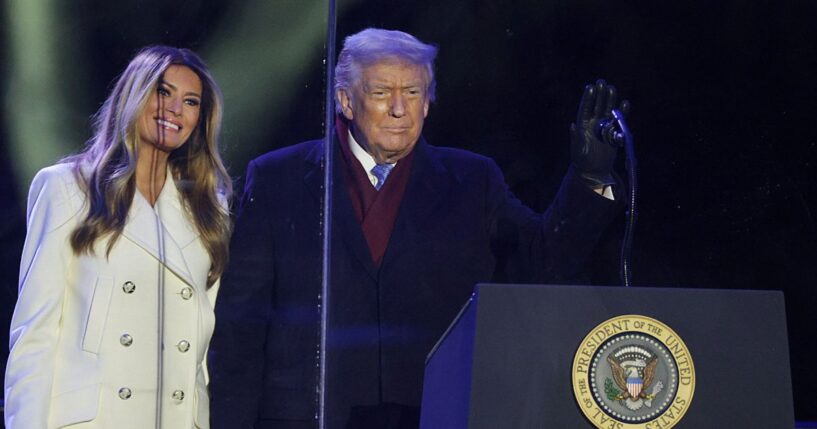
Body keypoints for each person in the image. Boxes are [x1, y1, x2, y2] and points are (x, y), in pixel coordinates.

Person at [209, 28, 625, 429]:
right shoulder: (278, 177)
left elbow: (545, 261)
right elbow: (240, 327)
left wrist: (588, 179)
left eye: (412, 93)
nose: (398, 108)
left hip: (430, 413)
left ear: (427, 103)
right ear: (345, 101)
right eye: (380, 93)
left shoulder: (472, 180)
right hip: (308, 417)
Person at [4, 46, 232, 428]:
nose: (175, 109)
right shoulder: (68, 189)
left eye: (190, 101)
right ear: (134, 96)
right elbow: (35, 335)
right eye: (163, 92)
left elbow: (197, 352)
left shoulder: (209, 211)